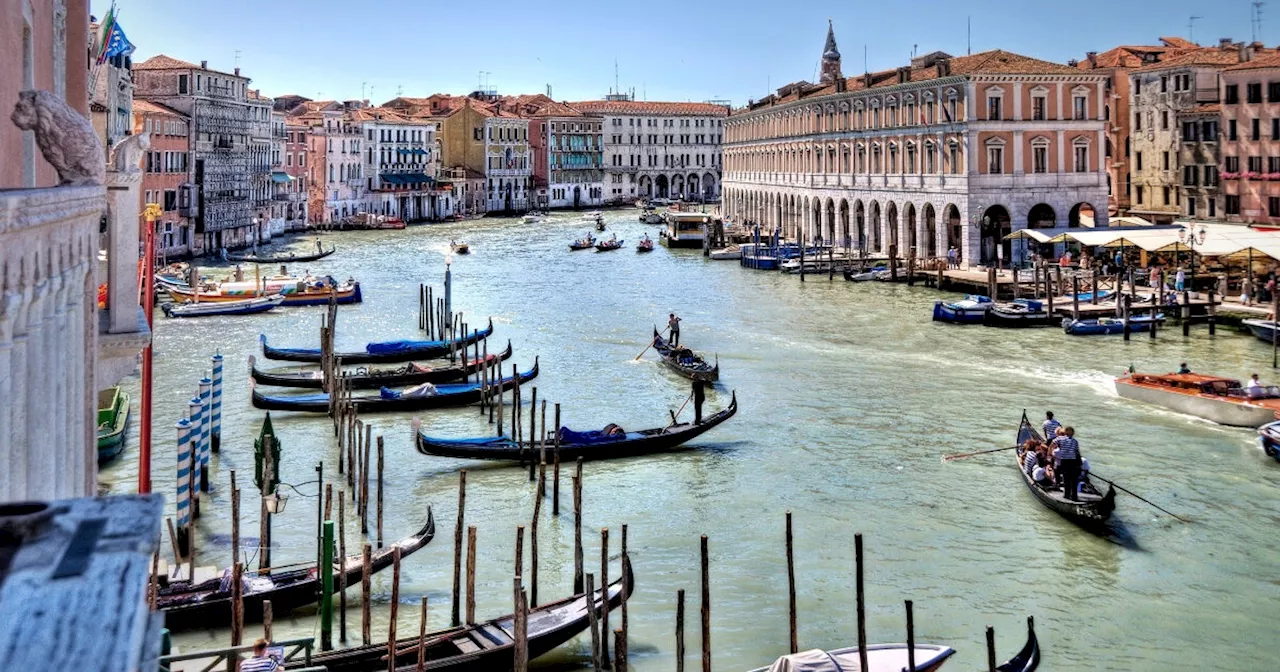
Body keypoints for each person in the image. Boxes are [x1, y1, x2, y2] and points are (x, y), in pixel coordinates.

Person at [1051, 426, 1083, 501]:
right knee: (1073, 479)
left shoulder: (1060, 438)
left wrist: (1050, 454)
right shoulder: (1075, 441)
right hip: (1073, 462)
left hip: (1065, 461)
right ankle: (1074, 496)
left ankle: (1067, 495)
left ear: (1066, 432)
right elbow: (1077, 452)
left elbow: (1052, 444)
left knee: (1066, 479)